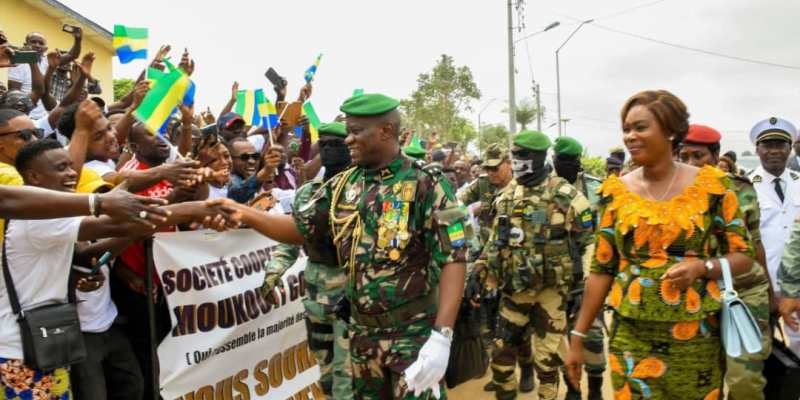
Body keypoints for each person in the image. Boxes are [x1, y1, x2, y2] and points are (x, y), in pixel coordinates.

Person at [213, 93, 468, 399]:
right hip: (360, 336)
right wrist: (244, 212)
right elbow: (300, 228)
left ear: (386, 131)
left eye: (356, 131)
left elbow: (455, 257)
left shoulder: (426, 183)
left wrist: (442, 337)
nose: (348, 140)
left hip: (411, 335)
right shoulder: (342, 186)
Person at [2, 139, 235, 400]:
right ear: (34, 176)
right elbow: (118, 225)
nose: (71, 174)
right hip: (20, 351)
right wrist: (194, 208)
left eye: (71, 166)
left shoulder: (52, 216)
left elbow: (87, 253)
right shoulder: (37, 219)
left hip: (45, 341)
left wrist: (168, 205)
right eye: (61, 168)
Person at [565, 90, 755, 399]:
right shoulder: (615, 193)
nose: (630, 136)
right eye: (626, 129)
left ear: (669, 131)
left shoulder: (713, 187)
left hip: (696, 337)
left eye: (640, 127)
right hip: (631, 336)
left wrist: (703, 267)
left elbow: (744, 256)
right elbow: (602, 269)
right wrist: (578, 335)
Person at [477, 130, 593, 400]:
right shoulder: (506, 196)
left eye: (521, 156)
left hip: (552, 292)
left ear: (539, 157)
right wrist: (482, 270)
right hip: (514, 290)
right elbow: (495, 242)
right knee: (501, 355)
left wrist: (581, 289)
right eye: (513, 155)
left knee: (546, 361)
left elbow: (588, 243)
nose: (516, 161)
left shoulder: (566, 196)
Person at [260, 121, 354, 399]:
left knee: (345, 380)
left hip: (349, 297)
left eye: (335, 145)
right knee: (325, 376)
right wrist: (274, 271)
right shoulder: (307, 193)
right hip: (316, 296)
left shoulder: (363, 190)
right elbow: (294, 236)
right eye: (323, 144)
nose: (328, 150)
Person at [678, 124, 772, 400]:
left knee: (745, 382)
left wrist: (770, 294)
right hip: (698, 296)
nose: (691, 164)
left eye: (698, 156)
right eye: (684, 157)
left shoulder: (740, 190)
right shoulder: (673, 195)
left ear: (716, 154)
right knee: (702, 382)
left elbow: (755, 244)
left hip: (744, 293)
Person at [457, 143, 524, 392]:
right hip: (485, 259)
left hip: (512, 260)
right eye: (488, 168)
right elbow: (456, 204)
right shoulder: (482, 185)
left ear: (508, 164)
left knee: (512, 319)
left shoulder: (521, 188)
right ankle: (499, 374)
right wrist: (465, 215)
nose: (492, 173)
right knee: (488, 313)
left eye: (496, 168)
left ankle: (523, 368)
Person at [551, 136, 605, 400]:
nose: (567, 165)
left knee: (592, 333)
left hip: (590, 273)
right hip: (559, 276)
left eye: (571, 161)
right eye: (562, 160)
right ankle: (572, 388)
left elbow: (603, 234)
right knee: (562, 333)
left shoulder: (595, 190)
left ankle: (595, 386)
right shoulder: (548, 189)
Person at [746, 117, 800, 356]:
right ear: (757, 150)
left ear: (791, 148)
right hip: (760, 285)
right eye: (768, 145)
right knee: (762, 354)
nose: (775, 151)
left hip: (796, 283)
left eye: (781, 145)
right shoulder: (744, 185)